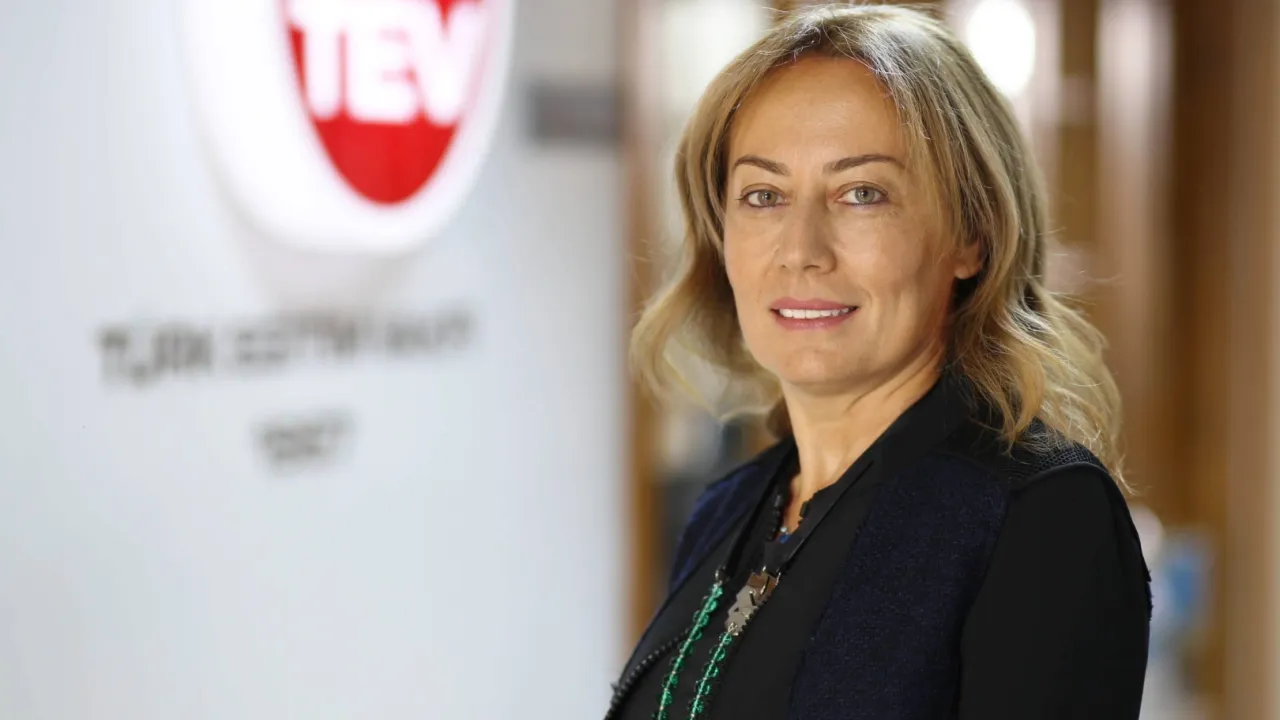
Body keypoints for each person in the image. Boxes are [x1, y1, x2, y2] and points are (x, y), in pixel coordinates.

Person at [607, 4, 1151, 720]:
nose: (801, 249)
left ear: (972, 234)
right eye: (763, 196)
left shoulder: (1040, 516)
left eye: (861, 194)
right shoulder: (730, 509)